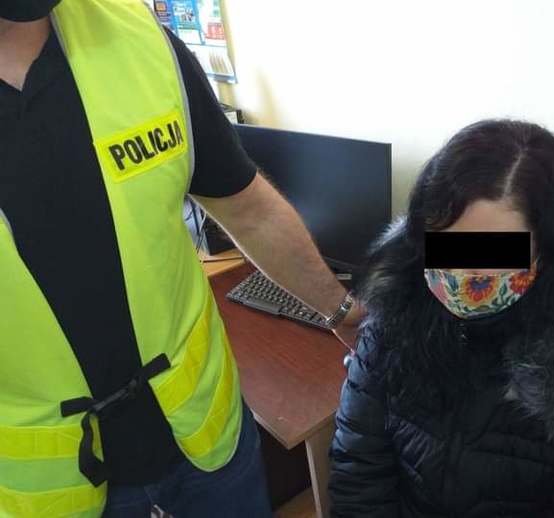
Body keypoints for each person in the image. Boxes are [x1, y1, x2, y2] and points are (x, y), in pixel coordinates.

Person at [0, 1, 361, 517]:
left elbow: (249, 210)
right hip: (50, 489)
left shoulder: (139, 35)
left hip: (205, 436)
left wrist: (343, 313)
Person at [329, 119, 554, 517]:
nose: (463, 274)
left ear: (548, 250)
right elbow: (359, 468)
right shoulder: (394, 310)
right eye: (445, 245)